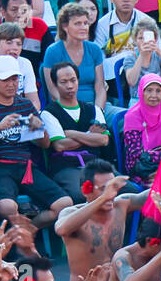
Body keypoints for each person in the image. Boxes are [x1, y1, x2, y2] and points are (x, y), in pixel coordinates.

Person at [0, 56, 72, 229]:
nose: (11, 84)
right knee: (7, 207)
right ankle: (20, 233)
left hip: (25, 167)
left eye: (15, 79)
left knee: (65, 204)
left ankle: (29, 229)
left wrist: (38, 129)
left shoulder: (25, 105)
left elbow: (45, 144)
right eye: (5, 80)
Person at [41, 62, 114, 203]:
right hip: (66, 167)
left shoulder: (94, 109)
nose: (69, 86)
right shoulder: (49, 113)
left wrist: (72, 133)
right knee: (82, 195)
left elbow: (103, 140)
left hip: (95, 164)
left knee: (128, 191)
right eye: (63, 82)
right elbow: (60, 145)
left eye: (73, 80)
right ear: (55, 84)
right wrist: (90, 134)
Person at [41, 3, 106, 110]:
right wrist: (74, 111)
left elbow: (100, 88)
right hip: (65, 109)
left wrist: (98, 112)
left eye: (85, 23)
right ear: (65, 26)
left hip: (94, 106)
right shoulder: (53, 51)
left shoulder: (94, 49)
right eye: (78, 24)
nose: (84, 27)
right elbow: (53, 91)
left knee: (125, 118)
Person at [122, 73, 161, 187]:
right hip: (142, 166)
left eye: (158, 91)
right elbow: (136, 153)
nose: (154, 95)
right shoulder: (132, 116)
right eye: (149, 90)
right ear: (141, 91)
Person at [0, 22, 41, 107]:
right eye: (9, 43)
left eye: (18, 44)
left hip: (20, 113)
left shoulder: (25, 64)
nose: (15, 48)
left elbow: (34, 101)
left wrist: (31, 116)